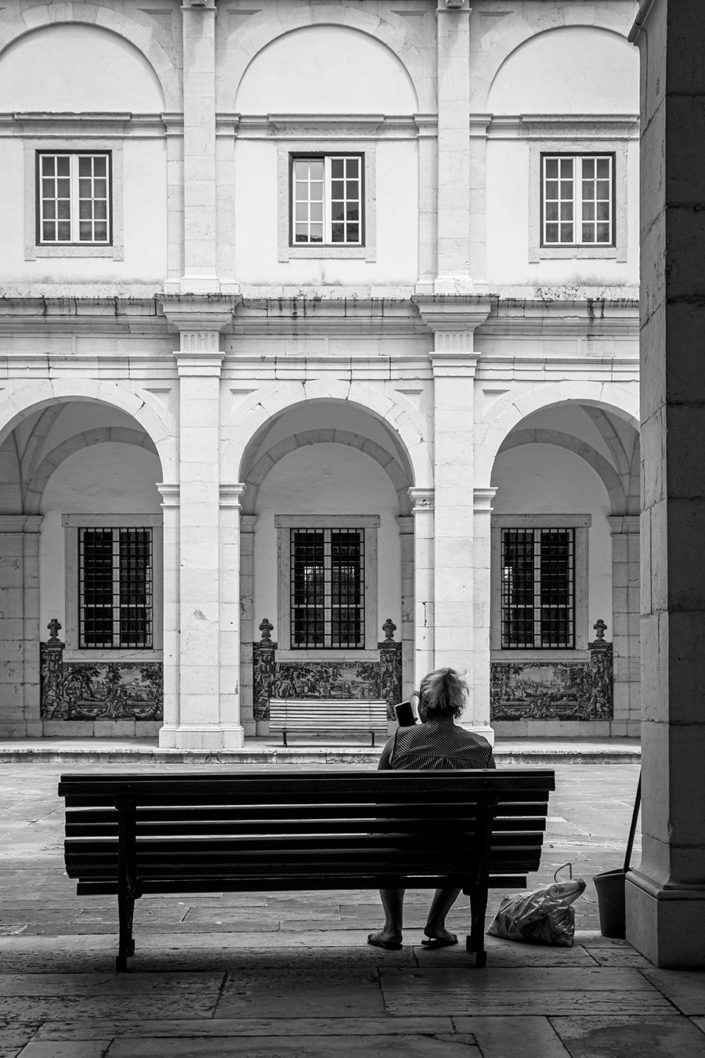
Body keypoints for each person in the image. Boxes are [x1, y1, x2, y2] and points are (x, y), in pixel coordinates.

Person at [367, 667, 495, 951]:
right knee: (464, 835)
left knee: (388, 834)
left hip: (401, 845)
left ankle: (391, 930)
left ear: (423, 705)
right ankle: (436, 924)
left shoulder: (400, 740)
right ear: (458, 708)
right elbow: (490, 806)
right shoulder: (479, 746)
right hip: (457, 847)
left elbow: (379, 795)